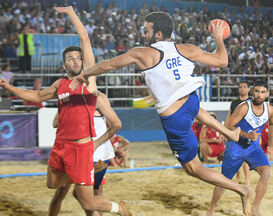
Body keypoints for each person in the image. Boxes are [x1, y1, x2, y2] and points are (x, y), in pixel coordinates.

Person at [71, 11, 252, 212]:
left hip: (175, 118)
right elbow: (222, 61)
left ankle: (241, 189)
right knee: (195, 108)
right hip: (191, 101)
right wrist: (218, 38)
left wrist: (84, 75)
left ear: (157, 34)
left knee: (194, 168)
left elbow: (107, 65)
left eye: (146, 30)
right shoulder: (186, 48)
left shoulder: (142, 53)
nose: (143, 34)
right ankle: (229, 133)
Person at [0, 6, 130, 215]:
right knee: (52, 184)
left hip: (80, 148)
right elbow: (37, 96)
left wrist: (71, 13)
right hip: (61, 145)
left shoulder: (89, 82)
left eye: (78, 58)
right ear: (64, 64)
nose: (76, 60)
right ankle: (78, 173)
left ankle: (119, 208)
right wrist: (9, 87)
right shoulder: (59, 84)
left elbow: (85, 39)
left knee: (88, 203)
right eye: (71, 58)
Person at [207, 80, 273, 216]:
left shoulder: (270, 110)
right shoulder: (244, 107)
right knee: (223, 181)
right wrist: (248, 135)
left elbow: (272, 125)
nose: (259, 95)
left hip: (253, 149)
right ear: (252, 92)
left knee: (267, 172)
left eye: (262, 92)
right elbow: (229, 127)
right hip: (235, 149)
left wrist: (271, 145)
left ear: (267, 94)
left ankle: (255, 208)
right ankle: (211, 208)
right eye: (257, 91)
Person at [49, 92, 121, 216]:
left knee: (66, 194)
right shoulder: (100, 98)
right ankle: (120, 209)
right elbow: (111, 125)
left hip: (83, 153)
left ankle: (120, 209)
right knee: (93, 198)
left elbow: (56, 123)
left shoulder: (71, 98)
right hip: (98, 154)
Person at [224, 80, 251, 186]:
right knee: (232, 155)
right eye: (240, 86)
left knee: (244, 157)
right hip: (234, 131)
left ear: (249, 89)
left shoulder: (251, 101)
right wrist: (225, 131)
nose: (242, 88)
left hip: (246, 131)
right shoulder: (234, 101)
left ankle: (247, 181)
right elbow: (229, 116)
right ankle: (237, 176)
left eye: (244, 86)